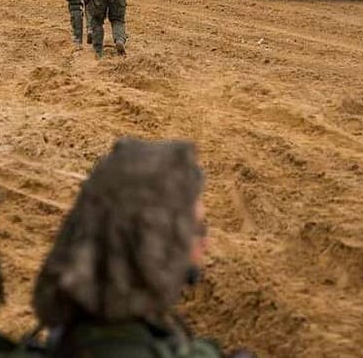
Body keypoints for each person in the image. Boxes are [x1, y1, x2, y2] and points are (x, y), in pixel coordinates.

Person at [33, 138, 223, 357]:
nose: (206, 242)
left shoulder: (77, 330)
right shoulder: (123, 348)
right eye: (198, 229)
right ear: (153, 242)